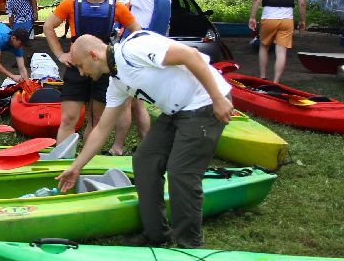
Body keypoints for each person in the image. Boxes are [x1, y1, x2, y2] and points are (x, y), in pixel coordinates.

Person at [56, 32, 234, 248]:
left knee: (182, 173)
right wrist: (76, 167)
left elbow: (191, 55)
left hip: (205, 102)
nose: (82, 73)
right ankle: (156, 234)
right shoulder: (117, 82)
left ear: (93, 55)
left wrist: (217, 98)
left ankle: (190, 245)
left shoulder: (133, 50)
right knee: (144, 161)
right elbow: (102, 129)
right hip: (177, 110)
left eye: (80, 66)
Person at [43, 0, 140, 143]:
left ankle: (88, 157)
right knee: (68, 119)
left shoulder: (117, 7)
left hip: (102, 69)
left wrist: (123, 53)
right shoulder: (70, 3)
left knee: (96, 120)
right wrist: (60, 55)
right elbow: (48, 27)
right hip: (76, 66)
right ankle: (64, 158)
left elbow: (137, 31)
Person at [109, 0, 174, 154]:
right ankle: (147, 144)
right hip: (152, 53)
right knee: (139, 102)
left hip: (136, 53)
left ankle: (118, 147)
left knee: (125, 102)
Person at [248, 0, 307, 83]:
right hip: (287, 20)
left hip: (268, 19)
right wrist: (303, 20)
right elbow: (302, 3)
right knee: (281, 52)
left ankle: (263, 77)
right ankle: (276, 82)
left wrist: (252, 17)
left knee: (264, 47)